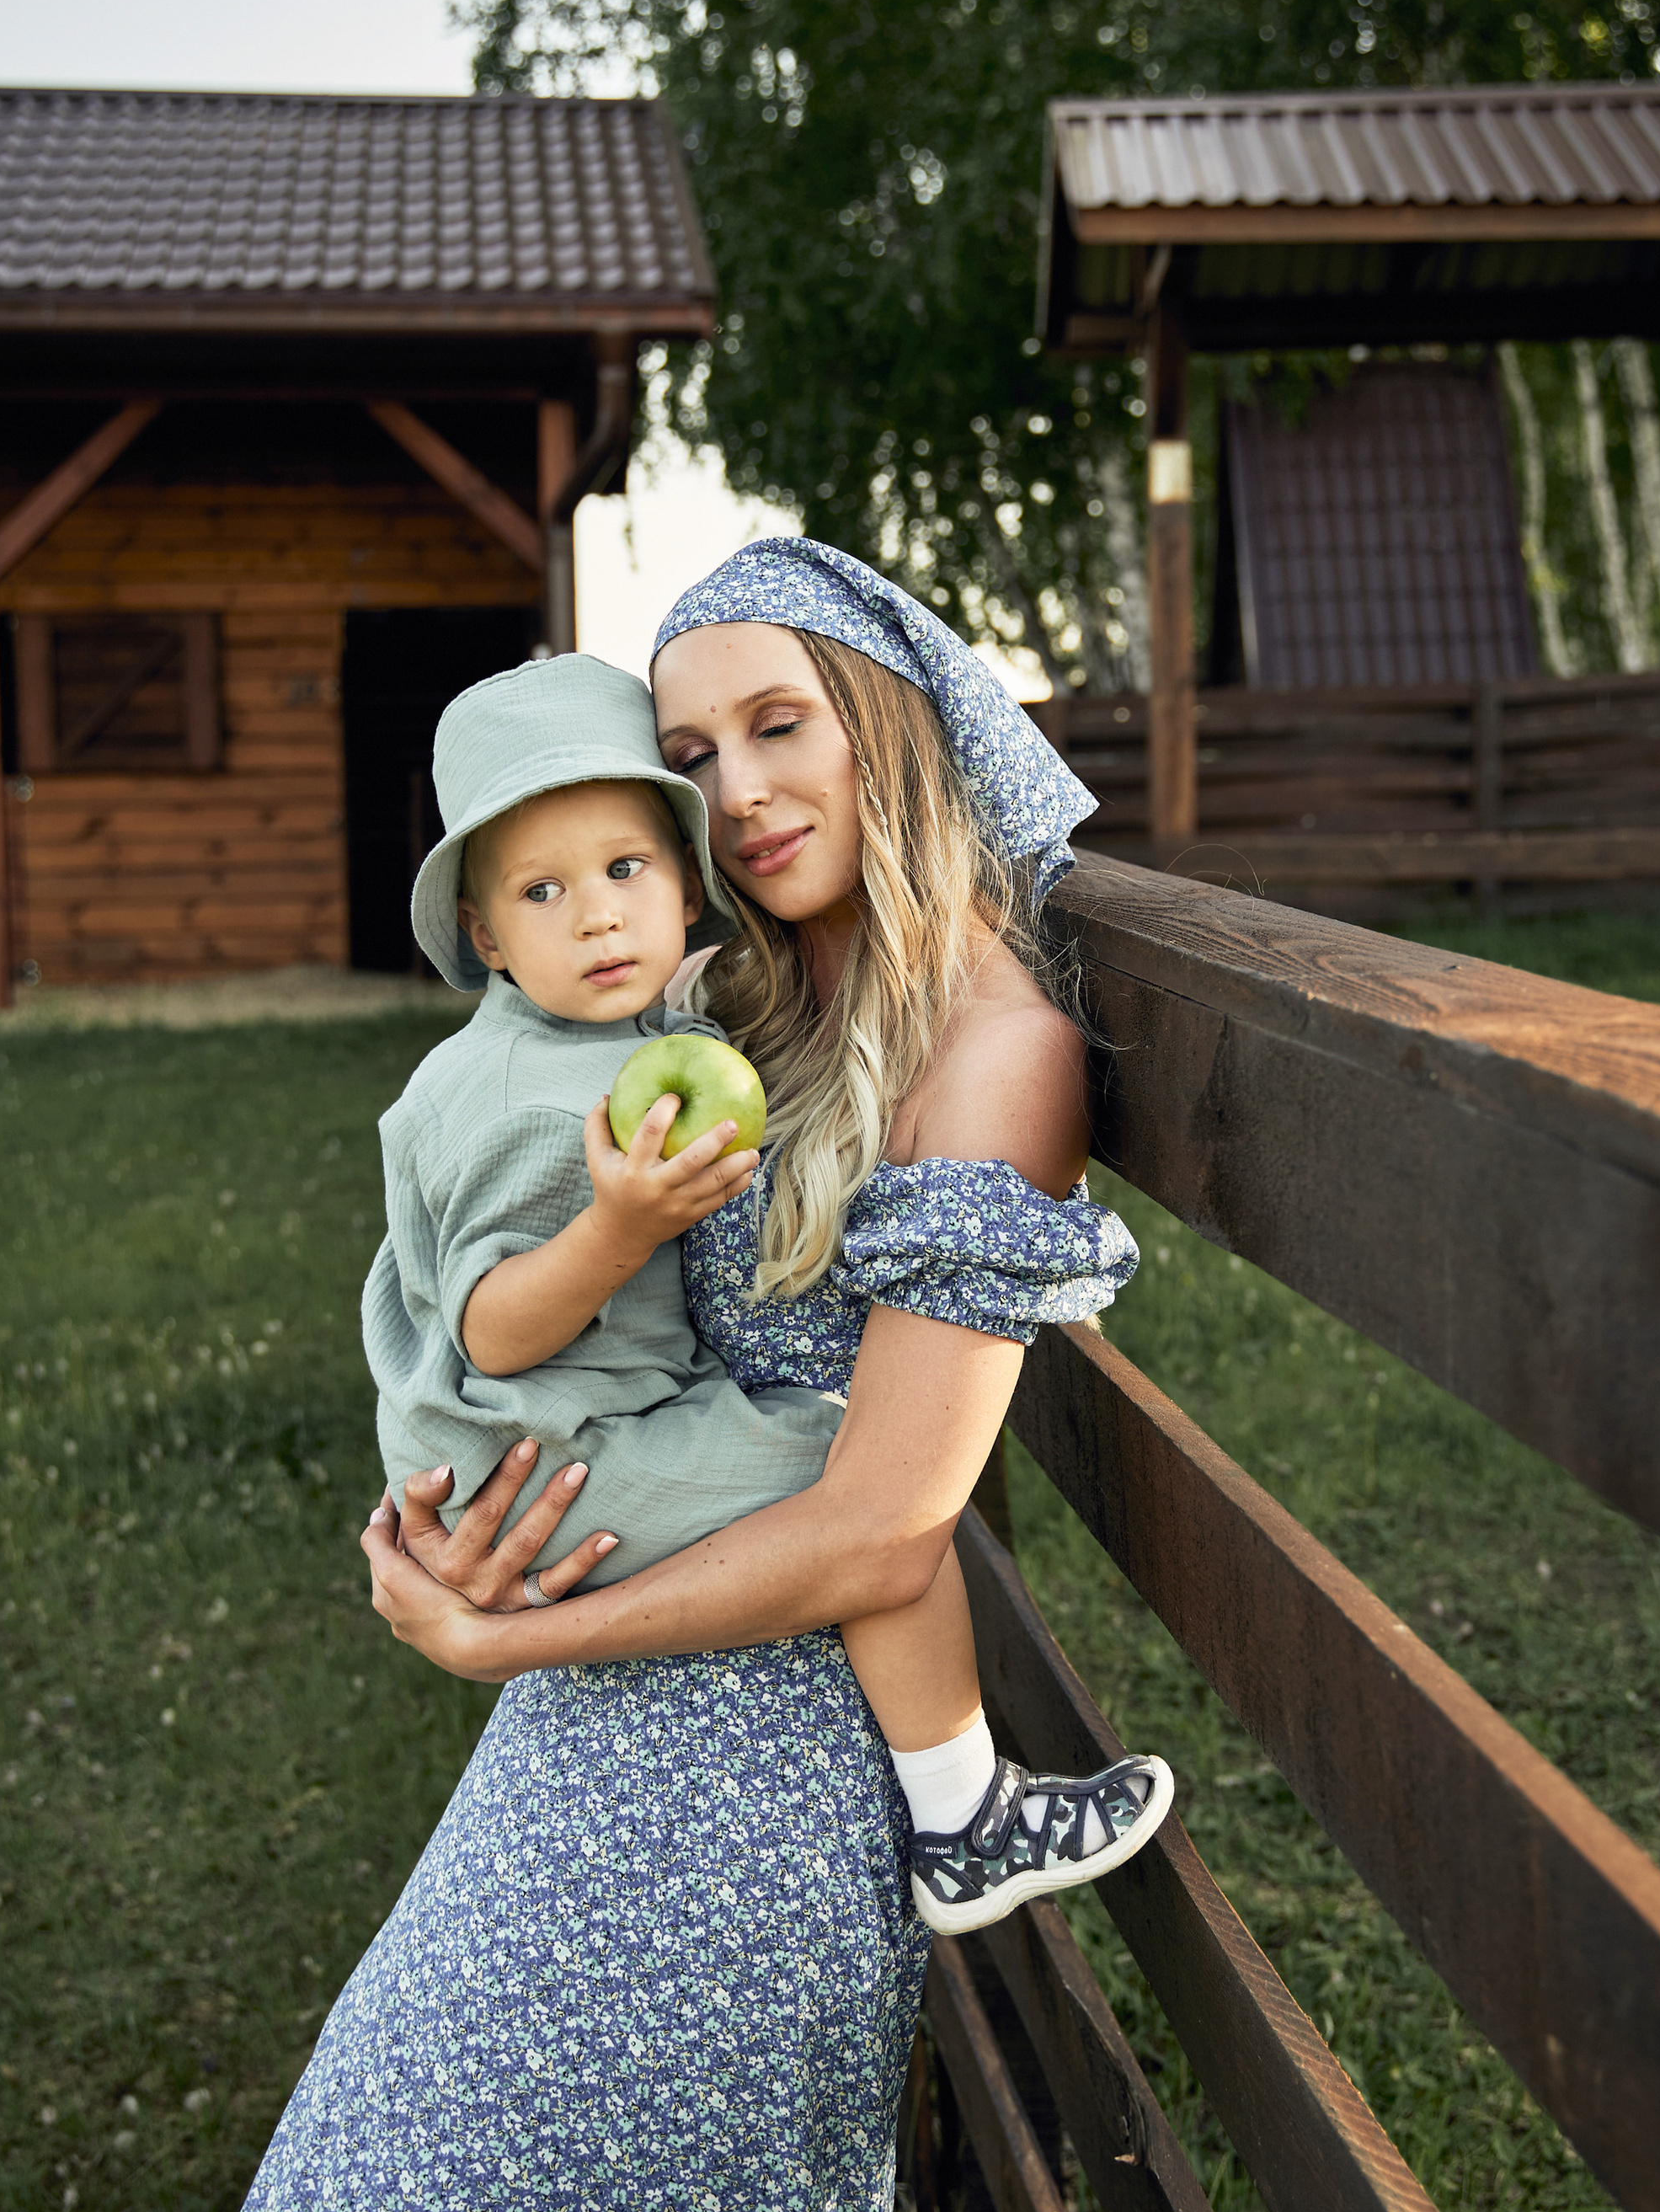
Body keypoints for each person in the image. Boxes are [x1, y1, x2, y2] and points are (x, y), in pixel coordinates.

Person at [41, 541, 1161, 2212]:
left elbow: (882, 1516)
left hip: (746, 1807)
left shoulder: (991, 1053)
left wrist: (501, 1623)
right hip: (601, 1740)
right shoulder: (742, 1009)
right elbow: (529, 1283)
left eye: (778, 726)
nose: (733, 790)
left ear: (889, 720)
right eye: (688, 754)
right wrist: (454, 1485)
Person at [363, 649, 1171, 1931]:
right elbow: (489, 1328)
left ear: (681, 883)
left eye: (626, 870)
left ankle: (957, 1809)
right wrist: (618, 1233)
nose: (595, 917)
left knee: (869, 1494)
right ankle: (962, 1819)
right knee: (846, 1466)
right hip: (563, 1455)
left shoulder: (645, 1038)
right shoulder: (540, 1095)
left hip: (578, 1469)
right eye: (542, 890)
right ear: (485, 932)